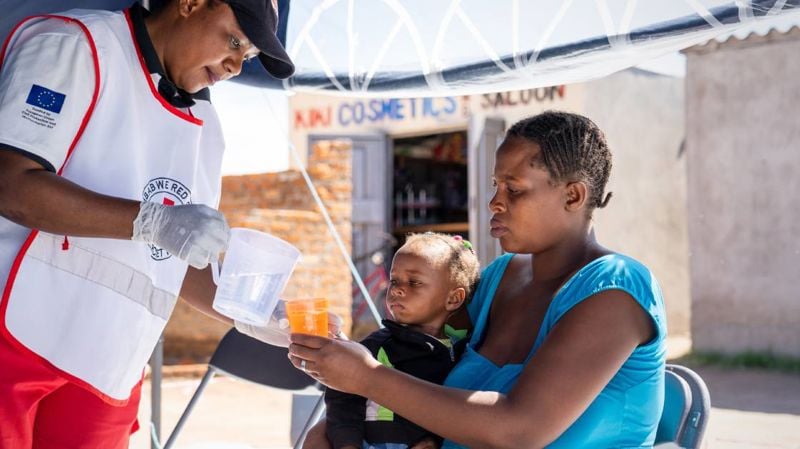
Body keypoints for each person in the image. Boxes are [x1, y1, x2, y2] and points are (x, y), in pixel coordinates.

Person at [0, 1, 297, 448]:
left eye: (249, 55)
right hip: (15, 343)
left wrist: (254, 313)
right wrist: (151, 220)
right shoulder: (77, 45)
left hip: (111, 367)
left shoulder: (206, 127)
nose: (236, 66)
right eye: (235, 41)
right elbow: (11, 183)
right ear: (190, 3)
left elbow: (174, 254)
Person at [290, 111, 668, 449]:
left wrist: (367, 377)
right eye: (495, 186)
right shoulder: (501, 277)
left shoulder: (615, 290)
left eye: (514, 189)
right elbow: (410, 348)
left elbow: (518, 430)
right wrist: (340, 364)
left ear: (573, 195)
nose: (494, 203)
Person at [325, 232, 480, 449]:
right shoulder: (376, 346)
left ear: (453, 298)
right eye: (394, 280)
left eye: (414, 282)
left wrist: (434, 440)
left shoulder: (468, 351)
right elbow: (342, 399)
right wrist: (347, 444)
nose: (397, 289)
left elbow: (461, 410)